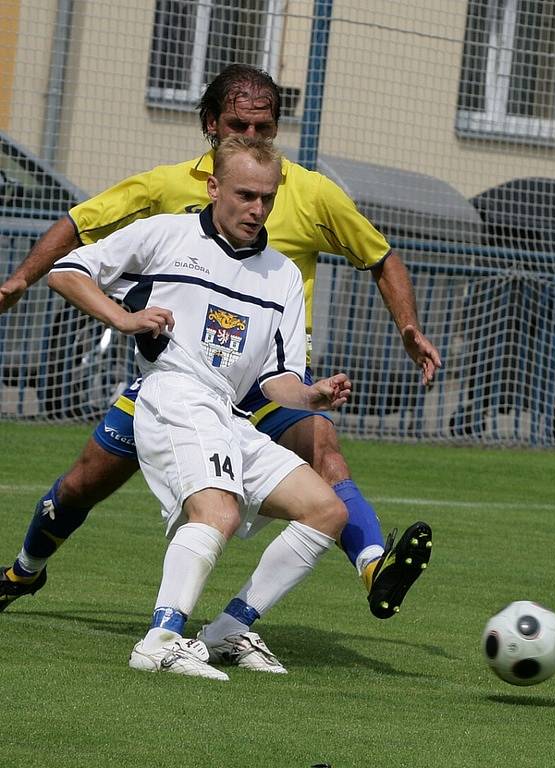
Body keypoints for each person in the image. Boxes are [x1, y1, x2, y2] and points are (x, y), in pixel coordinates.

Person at [0, 64, 438, 625]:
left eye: (264, 127)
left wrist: (408, 327)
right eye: (238, 124)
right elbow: (80, 226)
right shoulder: (168, 188)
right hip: (183, 378)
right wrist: (19, 280)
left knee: (324, 452)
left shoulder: (306, 191)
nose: (251, 138)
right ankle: (26, 567)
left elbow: (379, 255)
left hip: (271, 378)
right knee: (86, 482)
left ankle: (372, 568)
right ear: (210, 124)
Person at [47, 135, 351, 679]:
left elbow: (275, 378)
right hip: (173, 395)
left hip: (230, 414)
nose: (257, 209)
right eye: (245, 195)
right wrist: (122, 318)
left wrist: (311, 396)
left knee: (326, 511)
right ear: (213, 187)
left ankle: (229, 630)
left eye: (267, 197)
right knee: (219, 512)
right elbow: (67, 271)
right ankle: (160, 640)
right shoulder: (167, 234)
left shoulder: (282, 275)